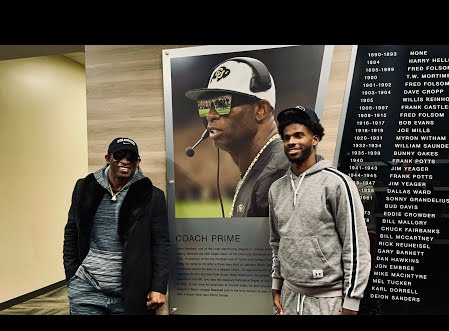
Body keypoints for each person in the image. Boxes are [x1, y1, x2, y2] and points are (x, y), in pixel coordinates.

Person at [269, 106, 371, 315]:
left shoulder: (337, 183)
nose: (291, 142)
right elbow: (277, 242)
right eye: (286, 137)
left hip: (328, 301)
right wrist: (276, 284)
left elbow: (356, 246)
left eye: (299, 135)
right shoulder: (276, 189)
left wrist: (351, 301)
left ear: (314, 139)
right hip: (289, 296)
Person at [63, 137, 170, 315]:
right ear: (108, 158)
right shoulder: (84, 187)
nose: (125, 161)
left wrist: (159, 287)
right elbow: (72, 233)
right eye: (119, 155)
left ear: (138, 162)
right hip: (86, 289)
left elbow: (161, 244)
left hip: (131, 293)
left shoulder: (152, 196)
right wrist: (72, 277)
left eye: (131, 157)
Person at [185, 56, 290, 217]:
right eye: (205, 106)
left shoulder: (281, 174)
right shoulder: (265, 168)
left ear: (261, 110)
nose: (211, 115)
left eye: (222, 103)